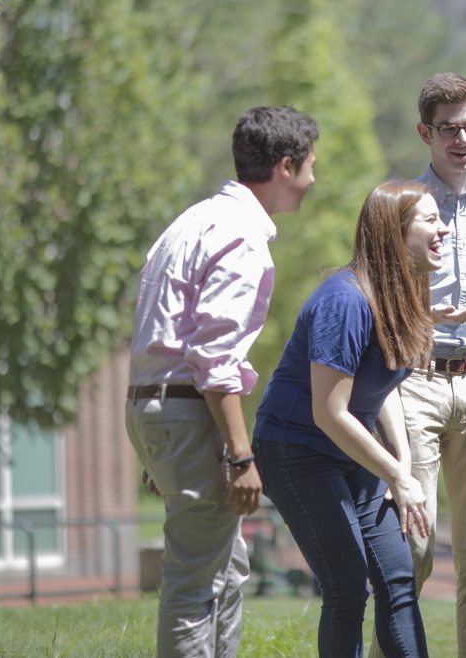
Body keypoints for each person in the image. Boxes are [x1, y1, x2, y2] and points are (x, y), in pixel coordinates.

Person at [125, 105, 318, 657]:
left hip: (162, 406)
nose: (312, 180)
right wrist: (239, 455)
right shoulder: (241, 237)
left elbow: (160, 332)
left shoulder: (190, 222)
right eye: (309, 167)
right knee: (194, 587)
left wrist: (157, 438)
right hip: (189, 410)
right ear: (285, 166)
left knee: (227, 569)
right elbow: (213, 357)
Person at [253, 180, 445, 657]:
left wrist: (399, 465)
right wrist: (395, 474)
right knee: (346, 585)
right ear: (394, 234)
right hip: (296, 450)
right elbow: (329, 411)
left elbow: (382, 390)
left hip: (349, 449)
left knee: (399, 579)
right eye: (430, 220)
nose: (444, 229)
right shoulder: (345, 301)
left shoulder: (402, 295)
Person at [382, 72, 466, 658]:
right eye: (448, 129)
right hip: (414, 383)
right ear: (425, 133)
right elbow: (380, 298)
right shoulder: (401, 207)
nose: (462, 139)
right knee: (414, 551)